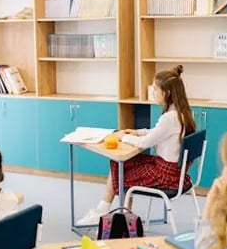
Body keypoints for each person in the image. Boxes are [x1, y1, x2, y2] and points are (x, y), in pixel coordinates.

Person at [77, 65, 196, 225]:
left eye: (155, 89)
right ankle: (113, 212)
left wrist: (124, 137)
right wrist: (136, 131)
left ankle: (109, 212)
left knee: (120, 171)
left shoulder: (169, 118)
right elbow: (156, 132)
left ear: (166, 93)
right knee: (121, 163)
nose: (153, 92)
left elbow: (144, 143)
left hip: (164, 175)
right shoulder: (181, 113)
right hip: (174, 171)